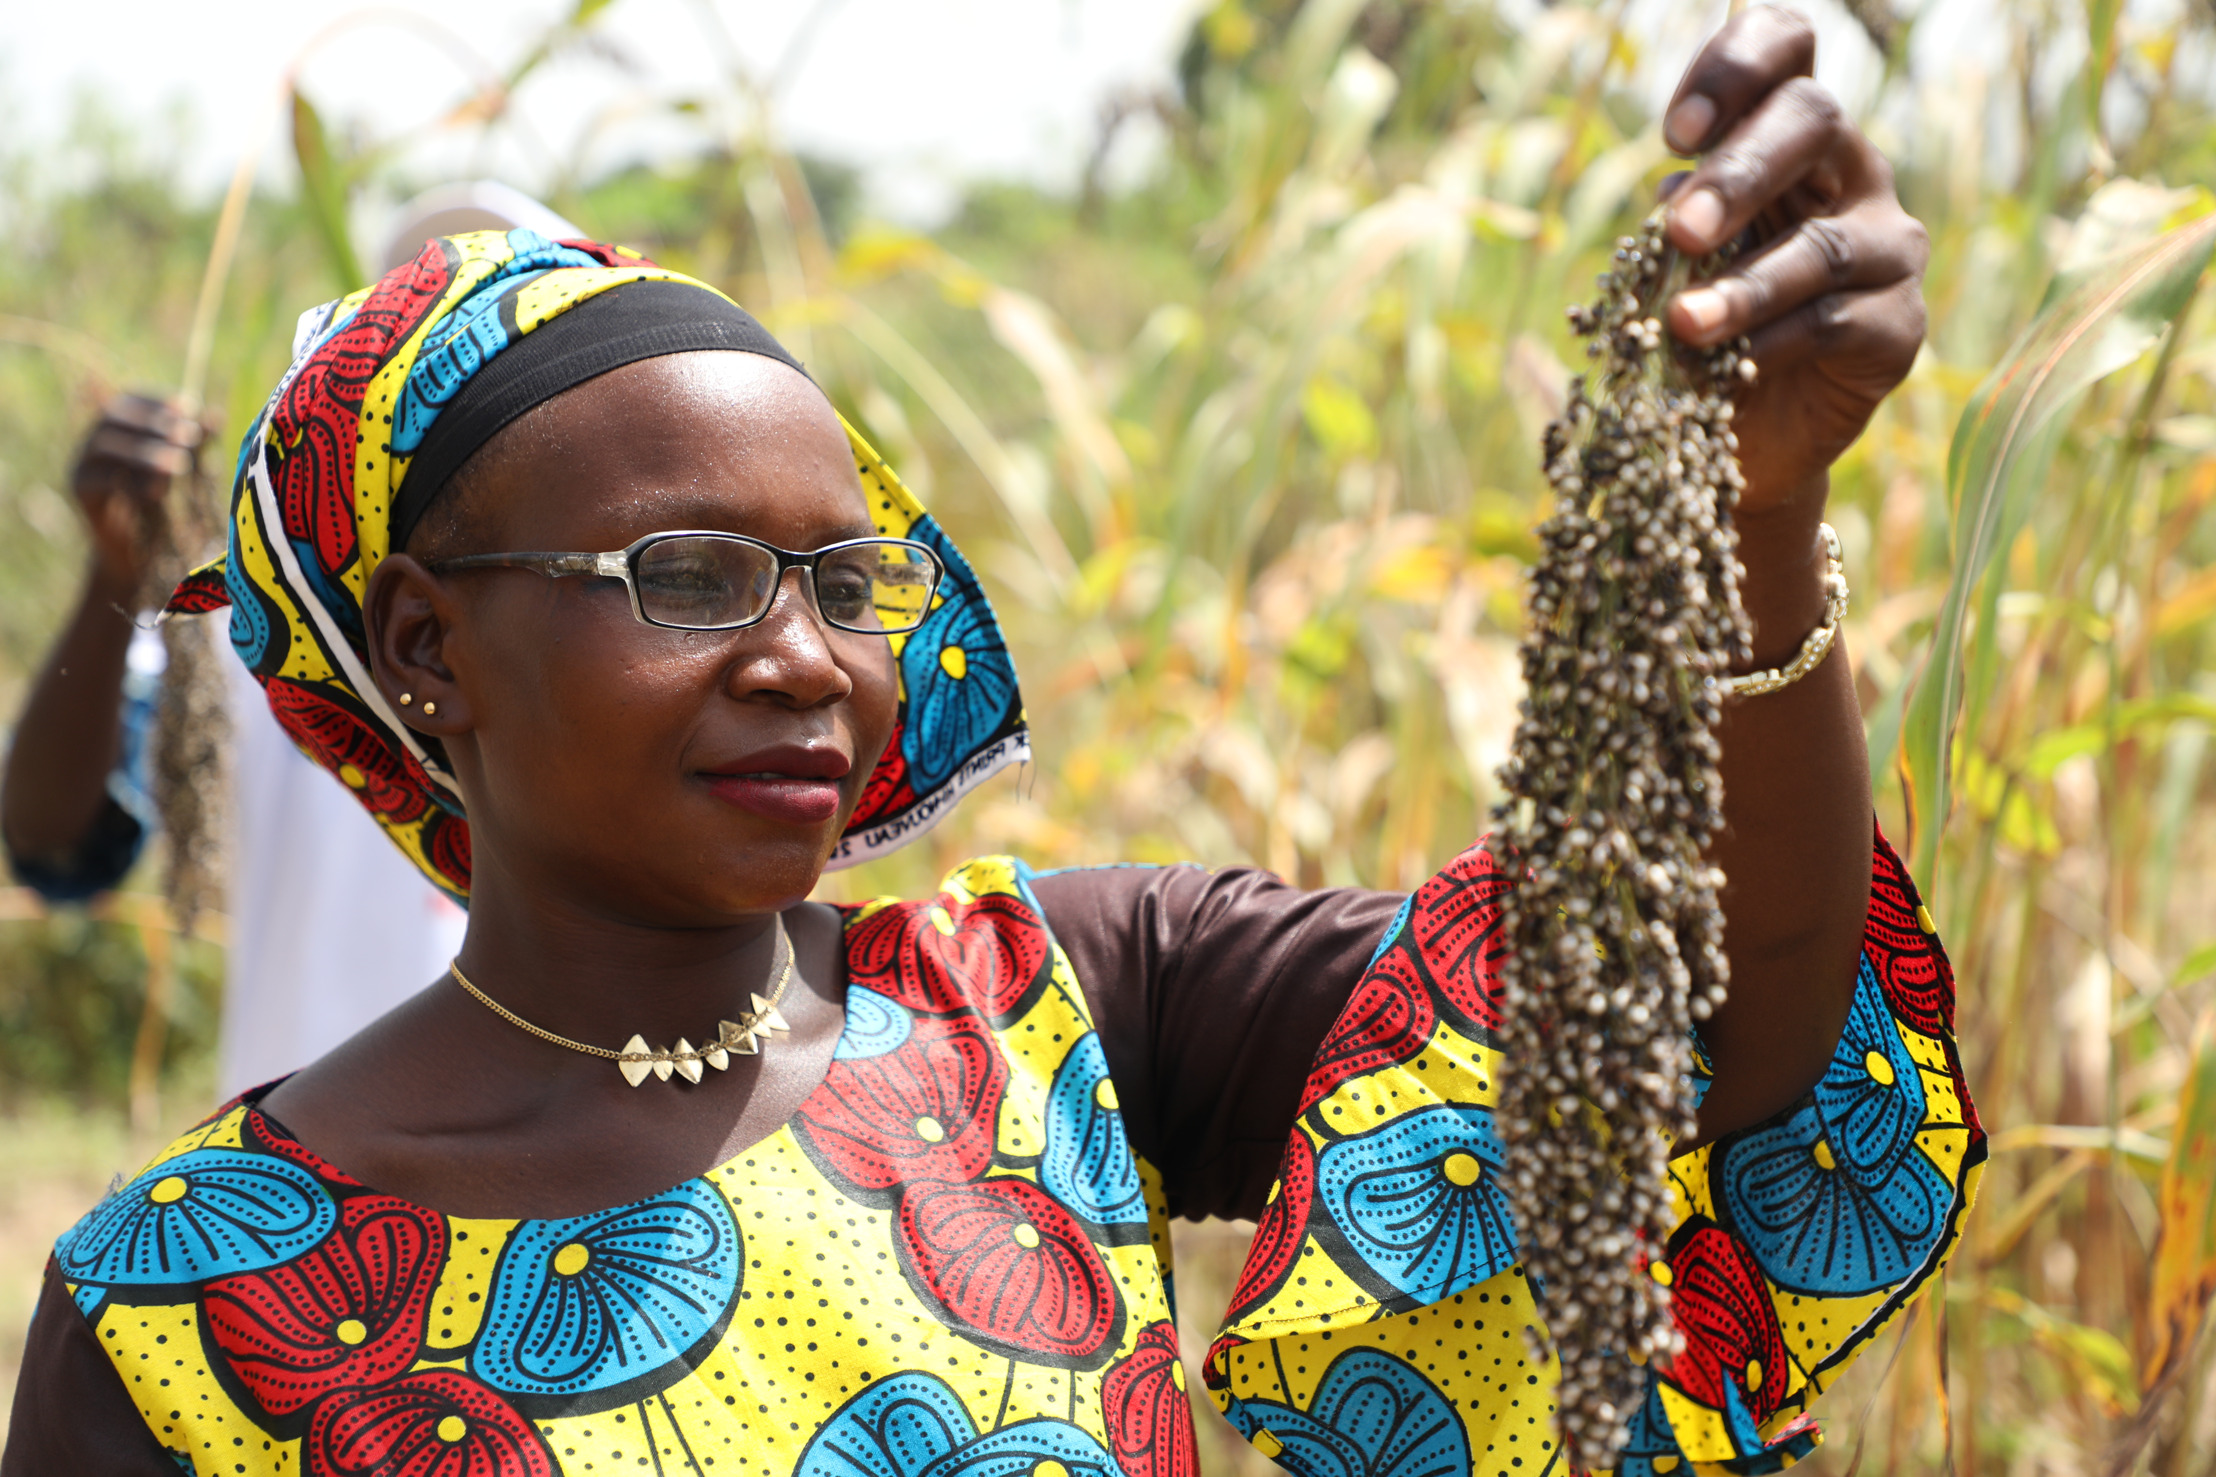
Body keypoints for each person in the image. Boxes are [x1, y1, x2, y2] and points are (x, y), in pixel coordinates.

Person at [2, 15, 1979, 1476]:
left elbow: (1684, 1043)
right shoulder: (183, 1303)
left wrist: (1742, 526)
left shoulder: (1050, 1014)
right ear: (426, 647)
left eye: (844, 585)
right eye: (685, 575)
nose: (803, 660)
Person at [0, 186, 584, 1097]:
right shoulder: (275, 611)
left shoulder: (643, 617)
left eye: (509, 334)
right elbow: (54, 844)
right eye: (428, 335)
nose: (462, 379)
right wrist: (118, 570)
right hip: (314, 1204)